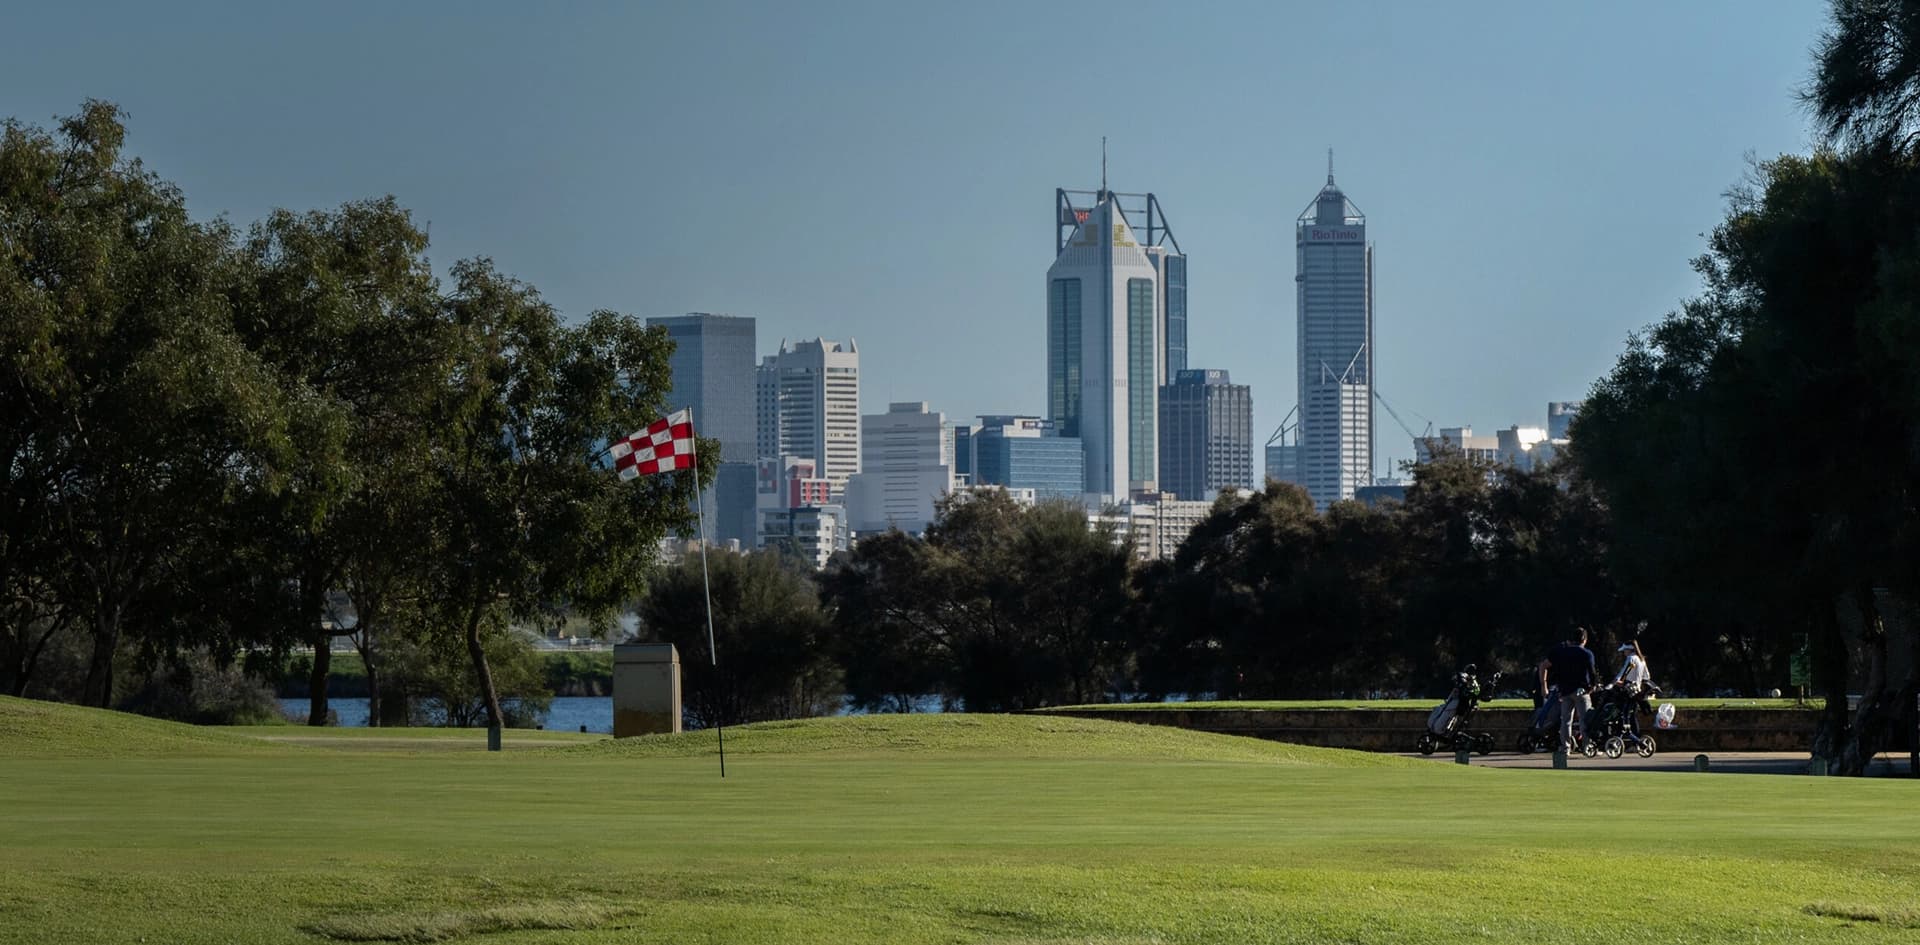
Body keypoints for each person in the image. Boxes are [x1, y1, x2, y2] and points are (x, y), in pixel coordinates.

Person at [1539, 627, 1598, 753]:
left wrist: (1545, 684)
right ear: (1584, 639)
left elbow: (1548, 666)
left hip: (1565, 690)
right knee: (1584, 720)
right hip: (1581, 690)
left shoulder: (1562, 652)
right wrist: (1592, 686)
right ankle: (1587, 746)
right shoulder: (1587, 654)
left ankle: (1566, 747)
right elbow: (1592, 672)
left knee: (1565, 721)